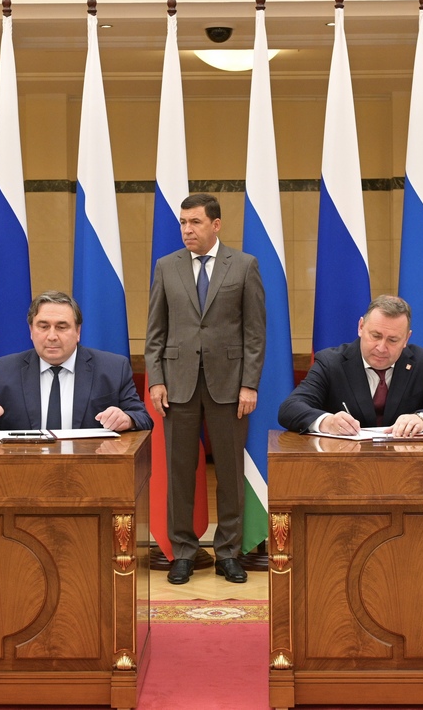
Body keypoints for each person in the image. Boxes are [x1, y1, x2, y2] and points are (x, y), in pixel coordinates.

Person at [146, 193, 265, 586]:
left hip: (229, 385)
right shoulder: (166, 267)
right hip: (177, 384)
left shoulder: (244, 265)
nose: (186, 230)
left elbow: (254, 333)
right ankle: (183, 551)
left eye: (194, 222)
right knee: (180, 471)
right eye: (182, 222)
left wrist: (249, 384)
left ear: (215, 225)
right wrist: (157, 379)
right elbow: (155, 332)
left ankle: (228, 553)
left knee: (229, 473)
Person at [0, 291, 153, 432]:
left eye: (62, 327)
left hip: (91, 473)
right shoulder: (4, 370)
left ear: (78, 332)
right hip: (24, 474)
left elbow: (143, 418)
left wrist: (127, 419)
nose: (52, 336)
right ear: (31, 330)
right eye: (43, 326)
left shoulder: (112, 368)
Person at [279, 294, 423, 438]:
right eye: (375, 336)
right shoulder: (331, 362)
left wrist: (421, 419)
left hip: (406, 466)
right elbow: (290, 408)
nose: (381, 348)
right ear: (361, 327)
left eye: (392, 340)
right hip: (344, 466)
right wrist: (327, 422)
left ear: (406, 339)